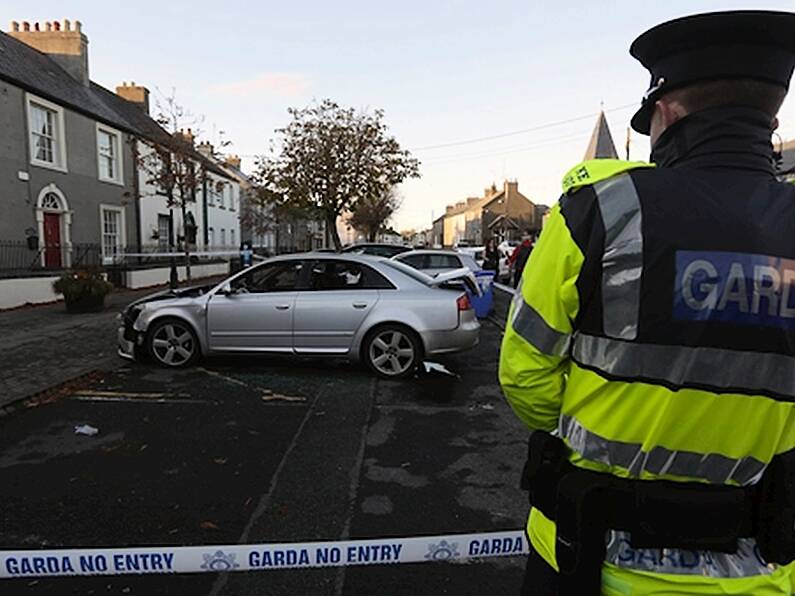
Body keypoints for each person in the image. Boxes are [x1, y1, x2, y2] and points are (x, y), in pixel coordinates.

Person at [499, 10, 795, 596]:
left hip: (590, 562)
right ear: (770, 113)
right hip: (760, 576)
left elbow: (525, 374)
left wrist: (590, 427)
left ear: (667, 111)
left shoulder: (601, 209)